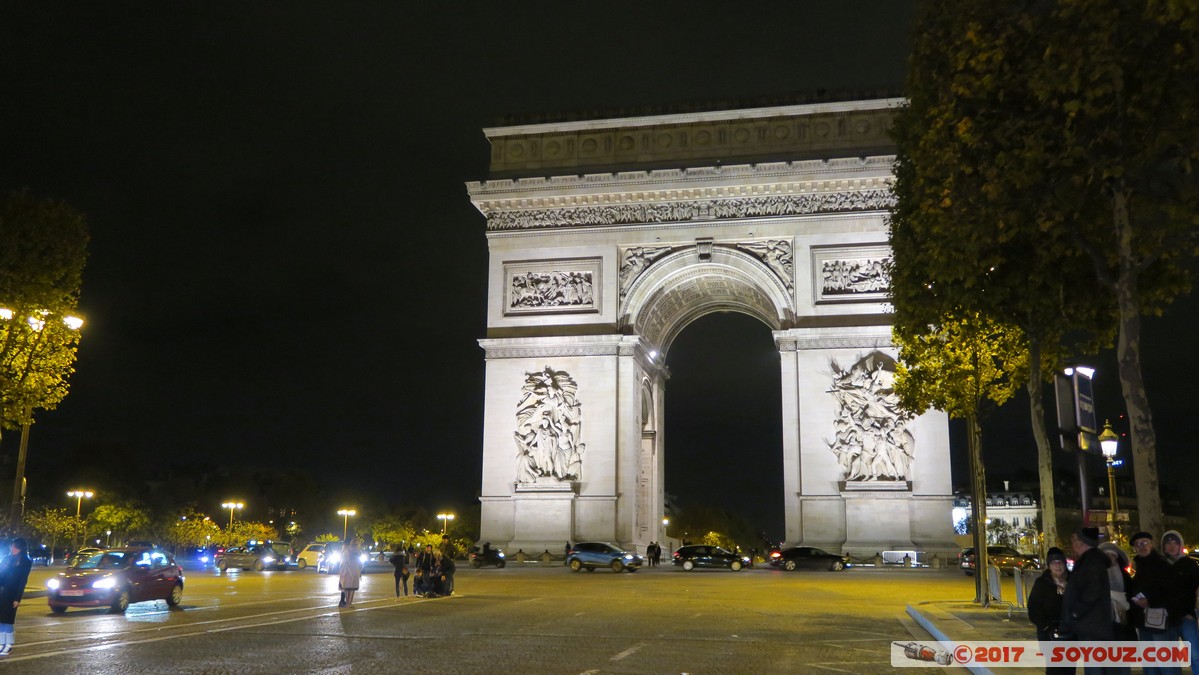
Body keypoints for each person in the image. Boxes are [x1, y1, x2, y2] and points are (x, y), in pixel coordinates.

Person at [1060, 527, 1113, 674]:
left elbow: (1091, 591)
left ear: (1082, 543)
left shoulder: (1091, 562)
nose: (1072, 543)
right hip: (1090, 625)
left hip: (1091, 626)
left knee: (1093, 667)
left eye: (1074, 540)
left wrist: (1076, 612)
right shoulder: (1089, 561)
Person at [1129, 531, 1182, 675]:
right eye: (1138, 544)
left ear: (1151, 544)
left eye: (1145, 542)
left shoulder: (1162, 565)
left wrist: (1149, 602)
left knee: (1166, 663)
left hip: (1161, 622)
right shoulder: (1139, 565)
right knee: (1150, 664)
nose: (1142, 546)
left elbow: (1173, 593)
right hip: (1144, 621)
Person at [1027, 547, 1071, 675]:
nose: (1057, 566)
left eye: (1060, 563)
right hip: (1049, 633)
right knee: (1054, 668)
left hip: (1069, 632)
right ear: (1049, 566)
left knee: (1069, 667)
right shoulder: (1042, 583)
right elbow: (1033, 608)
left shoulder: (1073, 581)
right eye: (1054, 563)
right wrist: (1046, 626)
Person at [1162, 530, 1199, 673]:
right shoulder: (1161, 565)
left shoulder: (1189, 564)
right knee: (1171, 657)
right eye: (1168, 543)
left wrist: (1191, 611)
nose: (1172, 546)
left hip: (1186, 617)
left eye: (1175, 543)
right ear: (1164, 546)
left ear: (1180, 545)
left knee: (1195, 655)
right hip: (1168, 618)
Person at [0, 537, 33, 656]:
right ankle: (1, 643)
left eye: (16, 547)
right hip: (1, 592)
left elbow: (22, 581)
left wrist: (17, 598)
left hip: (11, 594)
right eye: (12, 546)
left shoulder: (25, 561)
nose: (13, 549)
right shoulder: (6, 558)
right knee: (1, 620)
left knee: (8, 620)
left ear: (22, 548)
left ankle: (8, 645)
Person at [338, 542, 363, 607]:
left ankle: (347, 603)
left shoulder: (346, 552)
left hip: (347, 572)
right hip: (354, 571)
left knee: (346, 588)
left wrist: (341, 571)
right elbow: (361, 564)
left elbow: (343, 562)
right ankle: (349, 602)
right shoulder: (358, 552)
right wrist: (359, 571)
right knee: (352, 589)